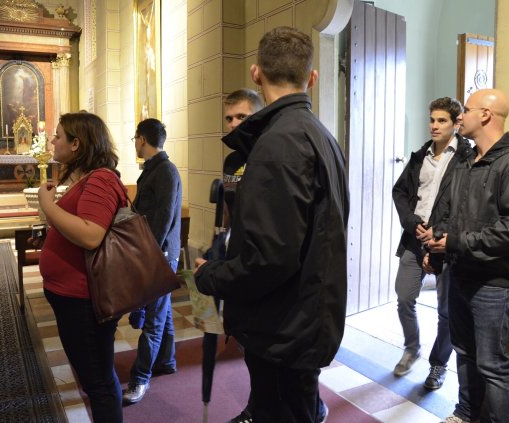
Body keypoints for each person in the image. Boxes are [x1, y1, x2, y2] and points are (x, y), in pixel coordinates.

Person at [195, 26, 349, 423]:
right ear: (312, 78)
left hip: (285, 325)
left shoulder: (279, 142)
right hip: (305, 315)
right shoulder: (321, 136)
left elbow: (269, 259)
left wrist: (211, 275)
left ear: (256, 73)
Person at [426, 89, 509, 423]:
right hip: (460, 273)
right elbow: (452, 211)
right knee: (463, 351)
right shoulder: (466, 160)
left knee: (492, 365)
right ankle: (465, 413)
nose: (460, 116)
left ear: (486, 115)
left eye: (466, 110)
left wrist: (455, 242)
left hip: (493, 282)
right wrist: (438, 247)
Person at [38, 112, 126, 423]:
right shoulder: (90, 179)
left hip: (83, 301)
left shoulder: (101, 179)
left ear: (76, 144)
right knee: (96, 379)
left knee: (99, 384)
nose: (52, 140)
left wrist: (47, 206)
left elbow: (91, 235)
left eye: (58, 135)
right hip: (72, 298)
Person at [391, 97, 473, 390]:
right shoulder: (420, 156)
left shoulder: (466, 158)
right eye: (432, 120)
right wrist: (410, 221)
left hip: (445, 243)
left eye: (441, 120)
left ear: (456, 123)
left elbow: (466, 204)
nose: (434, 126)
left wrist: (439, 231)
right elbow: (400, 192)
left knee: (446, 312)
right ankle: (412, 347)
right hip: (415, 238)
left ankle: (438, 364)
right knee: (404, 297)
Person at [123, 118, 182, 404]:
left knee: (153, 320)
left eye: (135, 138)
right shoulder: (154, 169)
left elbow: (164, 218)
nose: (135, 143)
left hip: (160, 254)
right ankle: (166, 360)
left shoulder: (166, 171)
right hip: (155, 252)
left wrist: (149, 255)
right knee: (163, 310)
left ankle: (140, 378)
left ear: (142, 139)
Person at [221, 89, 263, 423]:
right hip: (240, 258)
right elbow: (229, 210)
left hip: (267, 260)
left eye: (242, 117)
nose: (234, 124)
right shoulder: (232, 161)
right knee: (248, 342)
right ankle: (257, 405)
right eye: (229, 118)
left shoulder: (270, 152)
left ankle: (309, 405)